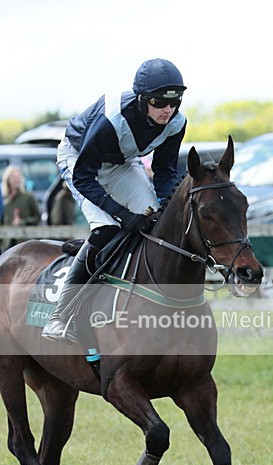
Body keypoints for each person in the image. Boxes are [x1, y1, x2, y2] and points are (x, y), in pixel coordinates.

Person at [42, 57, 187, 342]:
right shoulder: (113, 119)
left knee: (153, 221)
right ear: (143, 99)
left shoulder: (176, 122)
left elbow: (165, 171)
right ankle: (60, 315)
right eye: (159, 103)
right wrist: (122, 215)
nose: (167, 110)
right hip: (79, 159)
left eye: (175, 102)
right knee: (107, 228)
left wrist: (166, 203)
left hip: (122, 162)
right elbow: (84, 177)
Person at [0, 166, 41, 253]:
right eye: (14, 177)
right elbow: (0, 221)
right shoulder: (4, 200)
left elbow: (37, 217)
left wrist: (22, 222)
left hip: (24, 242)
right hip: (8, 242)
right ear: (8, 180)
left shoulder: (29, 197)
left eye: (18, 177)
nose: (16, 180)